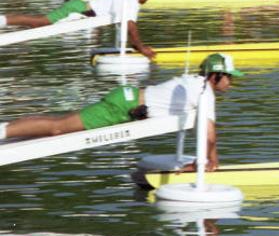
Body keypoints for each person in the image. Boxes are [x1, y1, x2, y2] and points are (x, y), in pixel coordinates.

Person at [0, 53, 242, 171]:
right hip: (123, 105)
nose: (230, 83)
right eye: (228, 77)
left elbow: (207, 132)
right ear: (215, 75)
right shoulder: (203, 91)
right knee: (58, 128)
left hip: (127, 101)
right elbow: (209, 134)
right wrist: (212, 162)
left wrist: (209, 160)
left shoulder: (196, 84)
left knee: (58, 124)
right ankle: (3, 130)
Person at [0, 0, 157, 59]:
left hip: (80, 7)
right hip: (76, 9)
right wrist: (141, 48)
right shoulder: (131, 2)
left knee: (38, 23)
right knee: (39, 23)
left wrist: (135, 45)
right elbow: (131, 26)